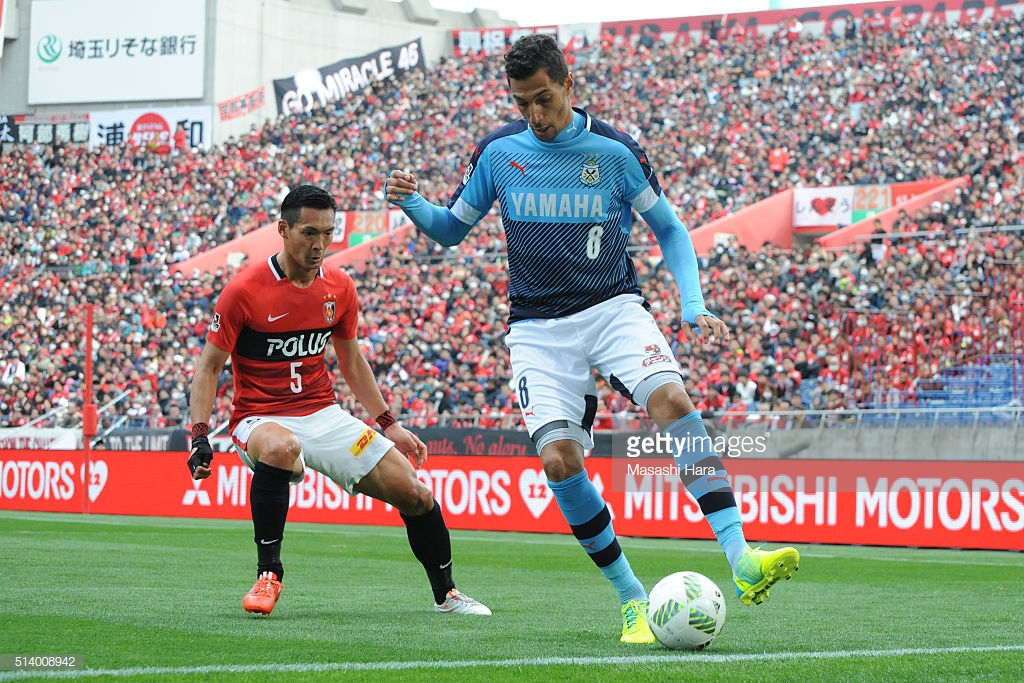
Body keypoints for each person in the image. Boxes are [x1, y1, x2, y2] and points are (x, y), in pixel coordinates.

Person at [385, 34, 797, 643]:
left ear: (568, 83)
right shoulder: (498, 152)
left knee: (674, 402)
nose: (535, 116)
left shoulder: (615, 150)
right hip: (535, 329)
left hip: (613, 308)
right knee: (558, 460)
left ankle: (741, 558)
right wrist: (415, 203)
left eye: (544, 100)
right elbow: (451, 230)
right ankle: (632, 599)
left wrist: (692, 304)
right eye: (522, 104)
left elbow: (672, 229)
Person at [187, 184, 489, 617]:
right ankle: (268, 575)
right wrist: (200, 436)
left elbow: (351, 360)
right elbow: (209, 368)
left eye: (328, 233)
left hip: (325, 416)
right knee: (280, 447)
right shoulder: (244, 291)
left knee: (415, 492)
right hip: (260, 417)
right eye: (309, 232)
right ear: (283, 229)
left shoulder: (339, 287)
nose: (320, 244)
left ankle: (448, 594)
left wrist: (389, 423)